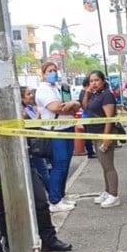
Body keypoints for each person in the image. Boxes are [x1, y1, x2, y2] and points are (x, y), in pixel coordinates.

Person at [0, 101, 72, 252]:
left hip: (24, 163)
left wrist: (26, 116)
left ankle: (48, 240)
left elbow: (34, 127)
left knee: (40, 201)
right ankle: (11, 245)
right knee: (4, 206)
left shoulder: (22, 112)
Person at [35, 61, 80, 213]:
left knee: (65, 165)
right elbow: (56, 108)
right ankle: (55, 200)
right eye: (49, 71)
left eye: (55, 70)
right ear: (43, 74)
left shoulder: (61, 87)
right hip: (55, 132)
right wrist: (69, 106)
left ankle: (61, 196)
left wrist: (71, 104)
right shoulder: (43, 89)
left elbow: (76, 107)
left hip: (68, 128)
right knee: (59, 165)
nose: (53, 73)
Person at [81, 71, 120, 208]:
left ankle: (114, 195)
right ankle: (108, 191)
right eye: (91, 81)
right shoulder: (96, 95)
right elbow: (85, 107)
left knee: (109, 166)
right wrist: (87, 93)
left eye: (96, 80)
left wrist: (106, 137)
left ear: (103, 81)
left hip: (104, 133)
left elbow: (109, 118)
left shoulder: (107, 95)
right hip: (95, 133)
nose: (94, 83)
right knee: (104, 165)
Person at [20, 87, 50, 191]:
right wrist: (38, 115)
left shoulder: (30, 107)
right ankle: (54, 196)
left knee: (43, 170)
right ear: (21, 98)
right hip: (32, 146)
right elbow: (32, 126)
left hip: (37, 143)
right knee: (43, 171)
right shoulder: (22, 112)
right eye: (28, 94)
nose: (31, 95)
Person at [77, 77, 97, 159]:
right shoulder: (83, 93)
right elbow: (85, 106)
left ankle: (91, 151)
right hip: (86, 117)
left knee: (89, 135)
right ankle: (90, 152)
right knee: (88, 136)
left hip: (88, 117)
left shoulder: (86, 92)